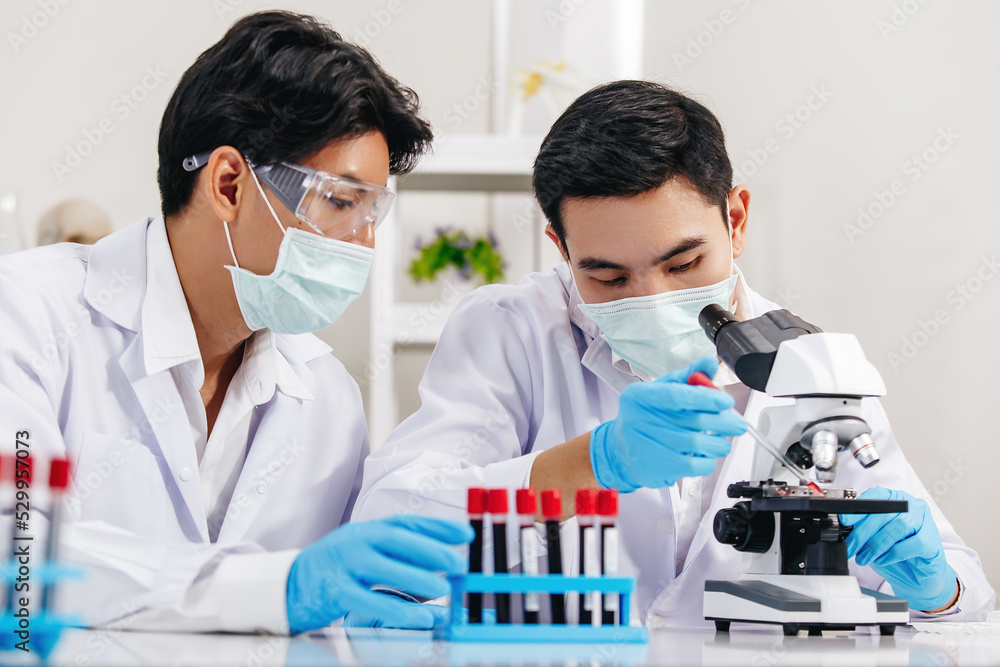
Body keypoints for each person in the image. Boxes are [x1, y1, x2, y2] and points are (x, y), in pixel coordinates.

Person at [353, 81, 994, 626]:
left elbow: (965, 595)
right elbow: (387, 524)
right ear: (560, 245)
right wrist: (592, 464)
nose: (653, 299)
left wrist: (937, 590)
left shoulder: (810, 365)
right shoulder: (513, 331)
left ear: (735, 220)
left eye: (683, 262)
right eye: (607, 276)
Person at [0, 11, 471, 634]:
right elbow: (19, 562)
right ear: (228, 183)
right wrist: (278, 587)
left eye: (372, 213)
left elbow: (333, 612)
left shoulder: (326, 396)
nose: (363, 245)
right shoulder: (28, 314)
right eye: (339, 202)